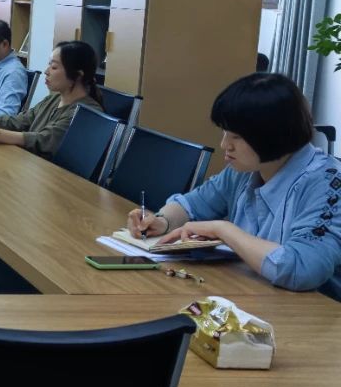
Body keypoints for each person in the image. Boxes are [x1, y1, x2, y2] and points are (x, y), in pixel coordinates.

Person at [127, 73, 341, 301]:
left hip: (313, 312)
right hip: (253, 297)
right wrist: (162, 221)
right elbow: (193, 205)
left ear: (273, 134)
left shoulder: (329, 183)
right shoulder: (246, 169)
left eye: (236, 136)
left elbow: (301, 269)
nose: (224, 145)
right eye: (225, 132)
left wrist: (223, 230)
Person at [0, 41, 103, 159]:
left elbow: (41, 140)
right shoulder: (54, 99)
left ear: (77, 75)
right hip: (32, 164)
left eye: (54, 67)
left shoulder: (86, 113)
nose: (46, 71)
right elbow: (20, 121)